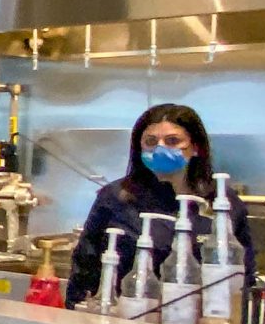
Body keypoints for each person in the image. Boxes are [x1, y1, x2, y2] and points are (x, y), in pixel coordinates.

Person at [63, 102, 254, 306]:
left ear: (196, 147)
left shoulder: (222, 203)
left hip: (203, 317)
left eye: (173, 141)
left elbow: (245, 275)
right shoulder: (116, 198)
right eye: (151, 141)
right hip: (127, 314)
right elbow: (84, 267)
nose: (160, 148)